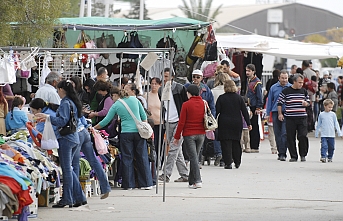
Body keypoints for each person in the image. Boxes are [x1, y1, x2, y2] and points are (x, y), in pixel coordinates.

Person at [35, 80, 86, 208]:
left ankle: (67, 199)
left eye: (58, 90)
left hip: (66, 139)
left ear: (62, 90)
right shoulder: (72, 102)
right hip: (73, 138)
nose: (57, 92)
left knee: (67, 170)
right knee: (70, 169)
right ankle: (79, 197)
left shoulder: (65, 103)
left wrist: (48, 117)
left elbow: (62, 121)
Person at [94, 89, 153, 190]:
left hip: (126, 133)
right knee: (142, 156)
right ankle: (146, 183)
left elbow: (106, 121)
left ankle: (129, 184)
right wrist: (143, 128)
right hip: (138, 133)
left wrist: (94, 128)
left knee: (127, 158)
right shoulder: (135, 100)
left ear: (116, 95)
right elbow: (144, 117)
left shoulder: (116, 105)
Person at [158, 68, 189, 183]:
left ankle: (166, 174)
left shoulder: (179, 88)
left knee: (173, 148)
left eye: (167, 76)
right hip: (168, 121)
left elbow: (185, 104)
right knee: (177, 150)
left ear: (172, 77)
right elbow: (163, 106)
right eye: (163, 76)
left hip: (179, 121)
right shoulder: (161, 90)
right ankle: (185, 174)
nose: (165, 79)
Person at [173, 85, 206, 189]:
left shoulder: (186, 105)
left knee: (193, 157)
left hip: (189, 134)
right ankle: (191, 181)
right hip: (201, 133)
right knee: (195, 157)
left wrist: (177, 136)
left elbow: (181, 122)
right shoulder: (203, 103)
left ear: (189, 93)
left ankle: (198, 180)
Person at [72, 116, 111, 200]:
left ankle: (76, 194)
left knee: (75, 163)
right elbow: (84, 121)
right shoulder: (76, 105)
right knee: (93, 160)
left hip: (77, 133)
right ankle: (105, 188)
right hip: (84, 132)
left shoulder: (63, 105)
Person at [216, 80, 252, 169]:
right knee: (236, 142)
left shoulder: (221, 98)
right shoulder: (239, 98)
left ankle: (228, 163)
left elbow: (217, 111)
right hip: (236, 122)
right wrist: (248, 123)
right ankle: (237, 161)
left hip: (224, 122)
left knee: (226, 143)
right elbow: (244, 111)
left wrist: (212, 123)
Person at [277, 74, 310, 162]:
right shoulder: (286, 91)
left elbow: (308, 102)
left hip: (302, 117)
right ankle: (293, 156)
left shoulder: (304, 91)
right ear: (294, 82)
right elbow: (279, 103)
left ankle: (303, 154)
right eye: (299, 82)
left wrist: (306, 104)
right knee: (290, 137)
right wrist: (280, 114)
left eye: (302, 82)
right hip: (290, 118)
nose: (301, 84)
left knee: (303, 136)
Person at [266, 70, 292, 161]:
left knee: (284, 133)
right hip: (275, 112)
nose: (284, 80)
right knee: (277, 133)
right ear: (279, 78)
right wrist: (267, 113)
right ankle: (280, 152)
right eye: (282, 78)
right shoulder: (273, 88)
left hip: (287, 112)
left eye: (286, 78)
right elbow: (269, 100)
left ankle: (283, 153)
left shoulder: (290, 87)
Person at [211, 72, 230, 166]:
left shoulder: (212, 91)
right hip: (227, 116)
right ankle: (225, 155)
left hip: (216, 116)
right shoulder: (228, 91)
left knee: (216, 136)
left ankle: (218, 153)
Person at [315, 99, 342, 163]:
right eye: (329, 107)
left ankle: (330, 157)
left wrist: (339, 132)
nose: (330, 108)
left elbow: (336, 124)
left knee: (331, 147)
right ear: (325, 106)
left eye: (331, 107)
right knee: (324, 146)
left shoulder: (333, 114)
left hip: (331, 134)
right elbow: (319, 124)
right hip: (324, 134)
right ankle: (323, 156)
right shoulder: (321, 114)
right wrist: (317, 132)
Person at [245, 64, 263, 153]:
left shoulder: (257, 83)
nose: (247, 73)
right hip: (249, 105)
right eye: (246, 71)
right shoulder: (249, 81)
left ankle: (255, 146)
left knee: (254, 126)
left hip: (254, 107)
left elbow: (259, 96)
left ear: (253, 71)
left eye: (249, 71)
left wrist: (258, 107)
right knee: (250, 126)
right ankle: (251, 144)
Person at [146, 78, 162, 166]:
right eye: (152, 83)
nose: (154, 86)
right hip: (150, 124)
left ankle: (160, 161)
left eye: (156, 84)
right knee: (152, 144)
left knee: (159, 143)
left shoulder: (161, 96)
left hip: (160, 123)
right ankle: (153, 162)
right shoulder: (147, 95)